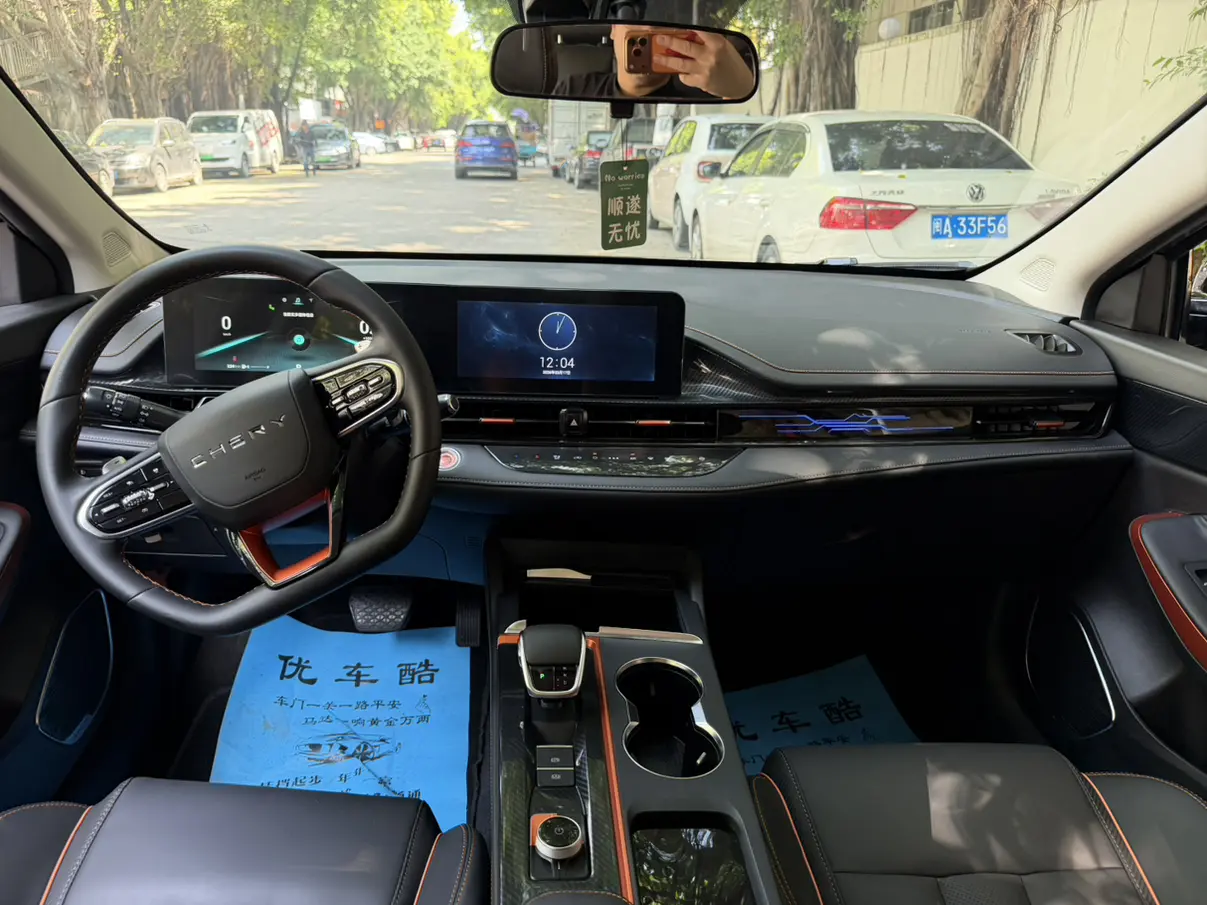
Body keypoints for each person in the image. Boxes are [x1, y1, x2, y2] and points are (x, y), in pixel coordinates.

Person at [555, 25, 755, 101]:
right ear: (614, 29)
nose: (648, 29)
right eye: (634, 17)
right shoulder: (574, 88)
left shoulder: (706, 83)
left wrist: (740, 88)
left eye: (663, 21)